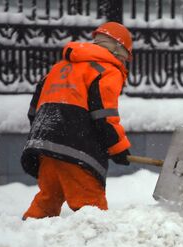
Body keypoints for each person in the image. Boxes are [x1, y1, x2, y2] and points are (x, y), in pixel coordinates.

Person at [21, 22, 133, 219]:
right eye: (125, 57)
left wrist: (52, 137)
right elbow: (104, 116)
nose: (124, 63)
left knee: (47, 200)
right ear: (118, 50)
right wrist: (118, 148)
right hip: (77, 149)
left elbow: (34, 111)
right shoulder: (106, 70)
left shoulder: (58, 68)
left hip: (44, 146)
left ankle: (26, 239)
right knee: (90, 210)